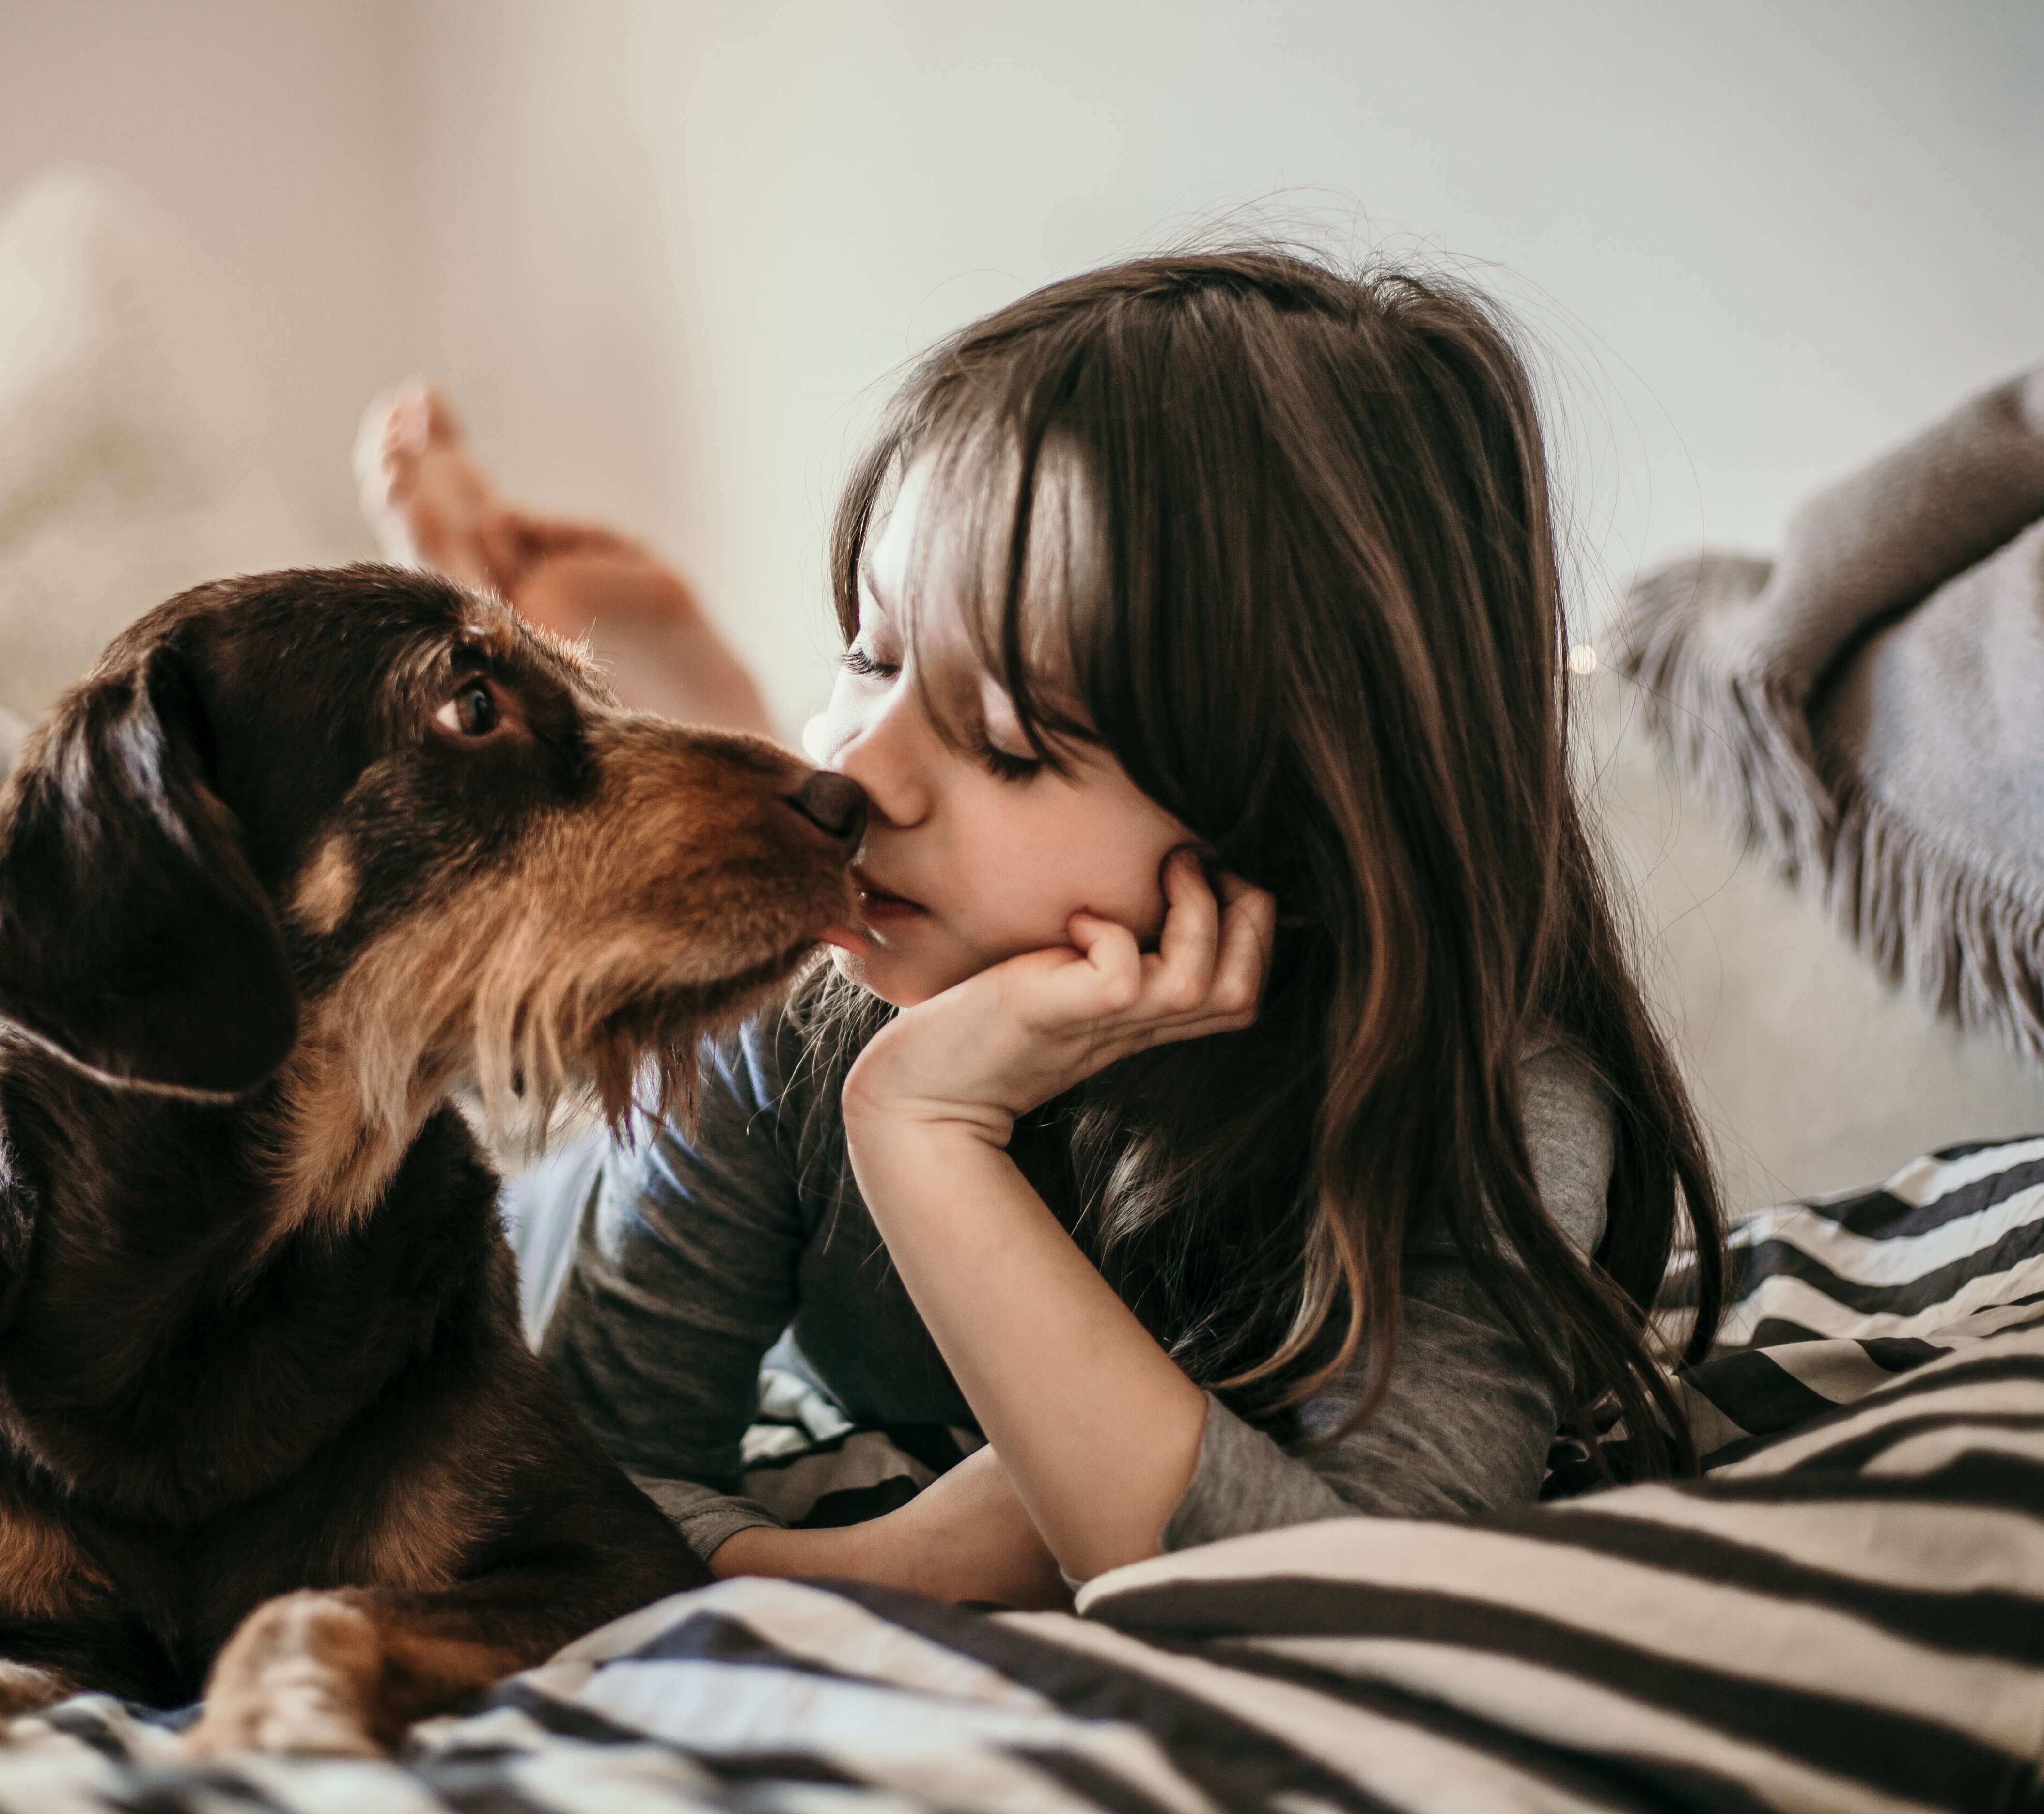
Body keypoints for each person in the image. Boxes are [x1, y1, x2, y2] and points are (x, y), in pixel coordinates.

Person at [357, 249, 1727, 1611]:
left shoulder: (1485, 1103)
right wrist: (860, 1568)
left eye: (1005, 742)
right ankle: (622, 695)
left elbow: (1350, 1587)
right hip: (547, 1200)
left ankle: (675, 702)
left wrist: (926, 1132)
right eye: (870, 656)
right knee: (533, 1079)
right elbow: (580, 1475)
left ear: (1304, 832)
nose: (864, 780)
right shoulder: (792, 1008)